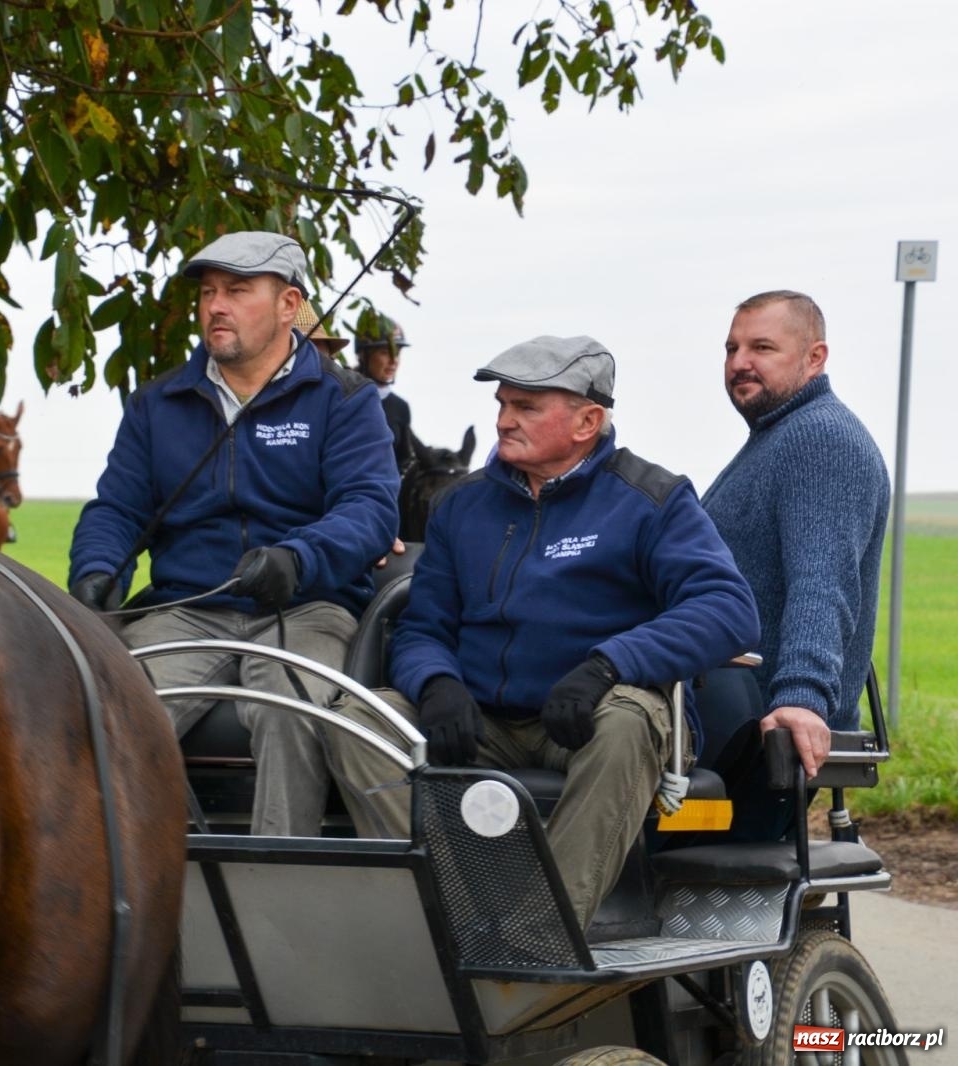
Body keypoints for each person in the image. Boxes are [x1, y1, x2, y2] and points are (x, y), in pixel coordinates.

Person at [325, 335, 759, 932]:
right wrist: (436, 683)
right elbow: (423, 625)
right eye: (502, 404)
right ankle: (456, 916)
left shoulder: (651, 499)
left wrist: (608, 666)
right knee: (355, 720)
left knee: (629, 721)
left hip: (589, 716)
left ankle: (540, 933)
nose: (504, 420)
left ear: (588, 420)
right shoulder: (463, 507)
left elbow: (728, 608)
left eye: (526, 407)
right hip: (485, 720)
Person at [69, 231, 399, 837]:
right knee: (109, 708)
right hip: (186, 608)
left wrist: (298, 559)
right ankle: (136, 886)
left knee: (289, 711)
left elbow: (370, 509)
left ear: (288, 304)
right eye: (209, 292)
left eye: (237, 291)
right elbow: (117, 509)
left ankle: (279, 890)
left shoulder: (345, 400)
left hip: (305, 607)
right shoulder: (157, 404)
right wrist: (97, 570)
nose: (214, 305)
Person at [700, 291, 890, 826]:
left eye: (762, 347)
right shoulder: (774, 438)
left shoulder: (819, 439)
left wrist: (802, 698)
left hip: (755, 738)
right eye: (732, 347)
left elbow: (823, 583)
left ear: (815, 357)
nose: (740, 362)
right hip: (726, 721)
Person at [352, 308, 427, 474]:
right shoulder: (342, 396)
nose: (394, 361)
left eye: (397, 353)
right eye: (385, 352)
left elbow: (404, 461)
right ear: (362, 356)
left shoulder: (400, 407)